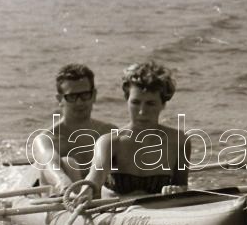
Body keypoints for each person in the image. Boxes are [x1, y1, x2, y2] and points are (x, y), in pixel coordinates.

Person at [82, 60, 190, 199]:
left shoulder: (180, 141)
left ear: (163, 104)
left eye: (150, 103)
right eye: (135, 102)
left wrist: (176, 190)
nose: (141, 112)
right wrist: (86, 190)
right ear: (127, 100)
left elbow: (183, 187)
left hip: (159, 214)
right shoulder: (109, 142)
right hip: (116, 213)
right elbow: (95, 176)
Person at [32, 63, 116, 192]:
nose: (79, 102)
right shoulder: (45, 139)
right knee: (68, 163)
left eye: (85, 95)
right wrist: (62, 182)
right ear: (60, 99)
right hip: (64, 198)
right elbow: (49, 162)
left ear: (94, 95)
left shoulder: (109, 132)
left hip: (100, 200)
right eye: (72, 97)